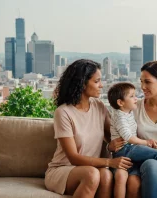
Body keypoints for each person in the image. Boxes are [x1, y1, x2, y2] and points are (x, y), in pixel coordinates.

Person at [45, 59, 132, 198]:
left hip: (93, 169)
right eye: (97, 81)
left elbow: (115, 135)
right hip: (63, 170)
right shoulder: (63, 112)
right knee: (92, 174)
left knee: (106, 176)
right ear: (82, 83)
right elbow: (73, 158)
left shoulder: (99, 106)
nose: (101, 85)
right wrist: (109, 162)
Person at [109, 61, 157, 198]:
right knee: (151, 165)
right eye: (141, 82)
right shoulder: (134, 107)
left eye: (147, 82)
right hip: (145, 160)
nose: (142, 87)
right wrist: (110, 146)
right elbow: (121, 131)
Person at [107, 82, 157, 198]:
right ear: (120, 102)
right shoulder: (120, 116)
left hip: (128, 150)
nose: (136, 98)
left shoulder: (128, 113)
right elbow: (129, 138)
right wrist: (146, 143)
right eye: (131, 96)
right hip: (125, 149)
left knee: (134, 180)